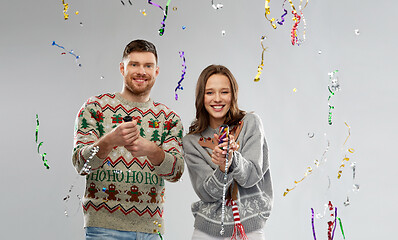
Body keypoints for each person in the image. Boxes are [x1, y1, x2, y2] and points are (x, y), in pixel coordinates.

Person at [72, 39, 184, 240]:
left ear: (156, 72)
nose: (141, 71)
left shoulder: (168, 119)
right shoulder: (95, 108)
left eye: (148, 66)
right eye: (134, 64)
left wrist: (152, 151)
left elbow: (176, 172)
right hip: (103, 229)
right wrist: (109, 141)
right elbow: (81, 165)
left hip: (151, 230)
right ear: (122, 68)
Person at [183, 65, 273, 240]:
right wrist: (222, 169)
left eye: (224, 92)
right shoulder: (191, 141)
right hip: (206, 231)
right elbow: (206, 194)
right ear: (201, 97)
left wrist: (232, 160)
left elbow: (252, 176)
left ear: (233, 95)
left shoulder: (250, 123)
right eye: (209, 93)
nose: (217, 99)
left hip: (248, 228)